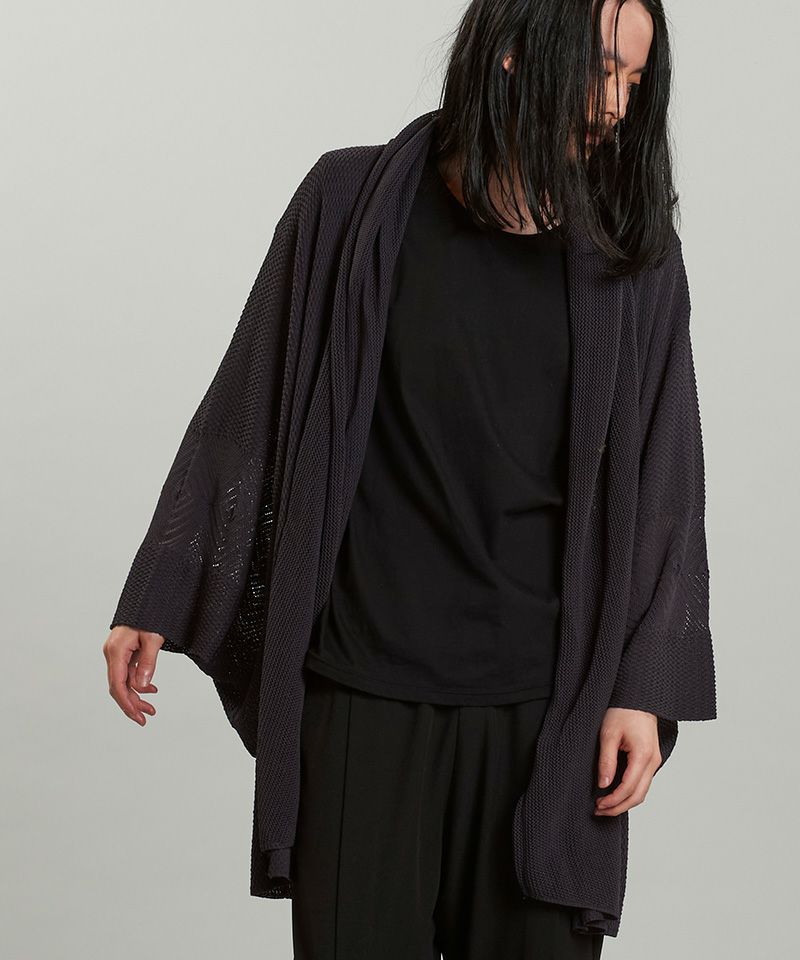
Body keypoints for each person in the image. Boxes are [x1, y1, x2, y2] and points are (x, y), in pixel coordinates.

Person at [103, 1, 717, 957]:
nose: (618, 104)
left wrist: (641, 687)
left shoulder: (632, 256)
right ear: (513, 53)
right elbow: (248, 403)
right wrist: (161, 590)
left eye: (636, 82)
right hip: (361, 695)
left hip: (544, 714)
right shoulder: (349, 204)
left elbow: (667, 475)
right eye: (605, 70)